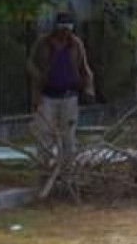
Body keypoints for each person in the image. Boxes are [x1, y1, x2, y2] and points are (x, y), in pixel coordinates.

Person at [26, 12, 95, 165]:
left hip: (69, 96)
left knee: (68, 134)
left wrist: (89, 89)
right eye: (62, 28)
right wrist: (38, 76)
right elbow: (30, 63)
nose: (65, 32)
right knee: (44, 132)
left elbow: (85, 68)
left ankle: (67, 166)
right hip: (46, 95)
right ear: (56, 28)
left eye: (68, 29)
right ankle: (44, 164)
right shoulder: (43, 43)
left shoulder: (76, 44)